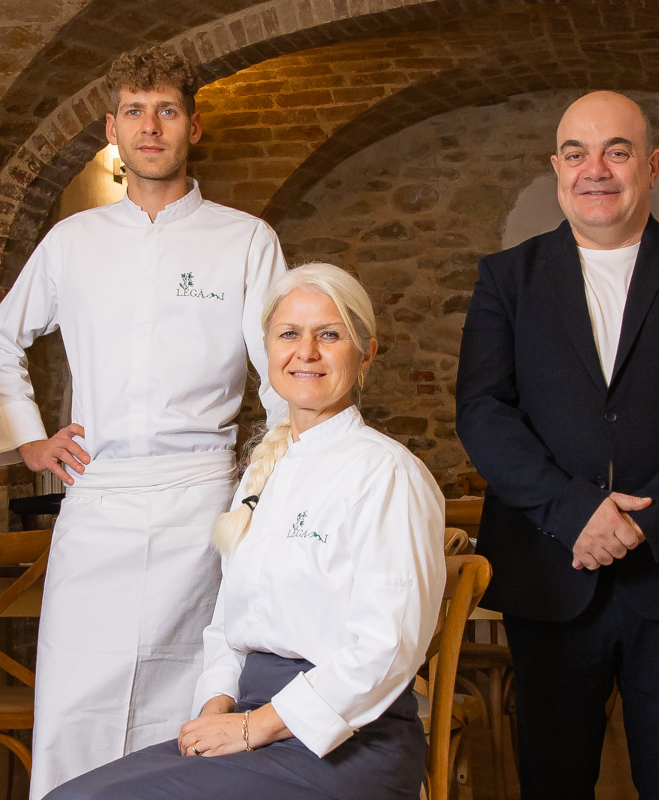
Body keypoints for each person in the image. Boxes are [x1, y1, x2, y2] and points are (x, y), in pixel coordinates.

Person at [0, 46, 287, 794]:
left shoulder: (246, 239)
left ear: (193, 127)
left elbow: (283, 369)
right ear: (111, 129)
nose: (151, 127)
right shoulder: (73, 241)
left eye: (167, 110)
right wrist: (28, 440)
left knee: (187, 693)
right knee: (76, 693)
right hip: (99, 493)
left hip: (200, 498)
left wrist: (266, 481)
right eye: (135, 112)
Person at [456, 91, 659, 800]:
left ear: (652, 165)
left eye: (617, 151)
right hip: (551, 571)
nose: (594, 169)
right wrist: (576, 513)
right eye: (576, 153)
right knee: (553, 781)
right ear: (556, 168)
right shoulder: (506, 278)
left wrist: (642, 521)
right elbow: (483, 413)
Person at [42, 262, 447, 800]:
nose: (306, 352)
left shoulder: (388, 473)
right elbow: (229, 624)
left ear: (366, 353)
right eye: (289, 334)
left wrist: (255, 727)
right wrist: (216, 707)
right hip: (255, 723)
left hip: (346, 743)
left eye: (329, 335)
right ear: (267, 349)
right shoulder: (264, 473)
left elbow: (387, 648)